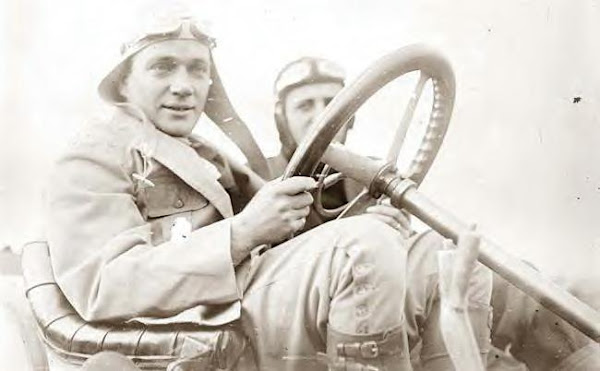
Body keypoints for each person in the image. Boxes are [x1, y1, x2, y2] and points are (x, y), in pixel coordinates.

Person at [41, 15, 493, 371]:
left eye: (197, 69)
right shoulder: (94, 155)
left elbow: (291, 232)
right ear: (123, 82)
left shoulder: (204, 154)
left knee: (448, 257)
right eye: (163, 67)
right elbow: (102, 286)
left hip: (249, 298)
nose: (185, 85)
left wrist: (364, 220)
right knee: (363, 251)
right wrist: (241, 233)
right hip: (198, 325)